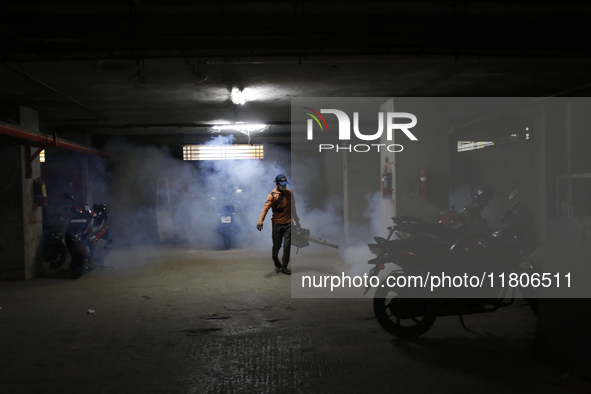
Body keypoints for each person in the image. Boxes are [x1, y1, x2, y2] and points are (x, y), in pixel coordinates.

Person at [257, 174, 299, 275]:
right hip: (277, 224)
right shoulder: (272, 195)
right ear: (277, 184)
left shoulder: (290, 193)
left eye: (285, 184)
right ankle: (275, 258)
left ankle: (284, 266)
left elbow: (293, 207)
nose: (284, 186)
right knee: (277, 245)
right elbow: (265, 208)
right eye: (282, 184)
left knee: (287, 245)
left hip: (288, 224)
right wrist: (260, 220)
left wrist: (296, 219)